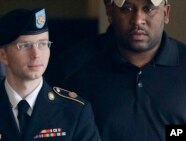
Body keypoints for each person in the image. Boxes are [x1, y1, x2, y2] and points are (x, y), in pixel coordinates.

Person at [0, 8, 101, 141]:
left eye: (43, 44)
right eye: (25, 46)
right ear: (2, 55)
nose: (36, 54)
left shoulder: (74, 112)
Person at [53, 0, 186, 141]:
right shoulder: (73, 65)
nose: (138, 20)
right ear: (110, 11)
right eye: (127, 8)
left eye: (148, 9)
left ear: (165, 13)